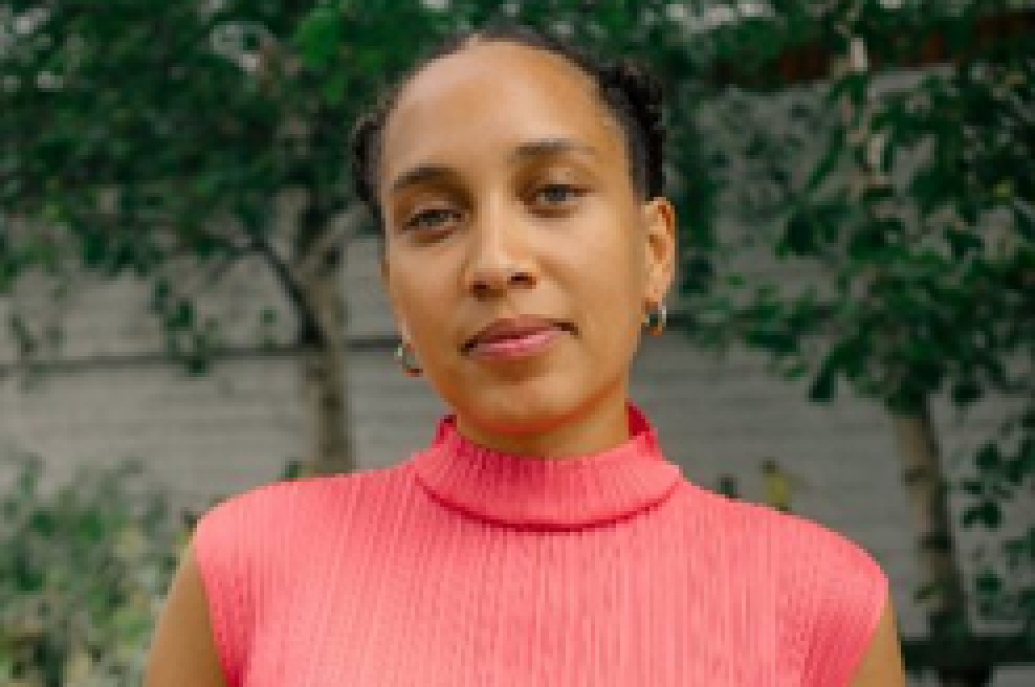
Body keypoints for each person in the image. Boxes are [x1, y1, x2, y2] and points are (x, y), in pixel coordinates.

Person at [146, 22, 906, 686]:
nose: (495, 261)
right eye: (434, 216)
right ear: (393, 292)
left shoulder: (822, 605)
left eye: (552, 194)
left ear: (653, 250)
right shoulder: (247, 568)